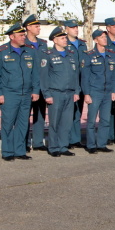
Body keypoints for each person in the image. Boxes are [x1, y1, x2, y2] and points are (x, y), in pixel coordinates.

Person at [0, 23, 39, 161]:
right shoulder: (2, 51)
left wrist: (35, 90)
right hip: (9, 94)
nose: (24, 37)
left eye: (24, 35)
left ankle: (19, 151)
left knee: (23, 123)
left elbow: (35, 73)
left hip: (26, 93)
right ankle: (7, 152)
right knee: (8, 123)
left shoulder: (30, 51)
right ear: (12, 36)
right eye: (21, 35)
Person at [40, 26, 80, 157]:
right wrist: (47, 94)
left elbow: (75, 75)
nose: (65, 40)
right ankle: (53, 147)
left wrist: (76, 91)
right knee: (55, 122)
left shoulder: (71, 55)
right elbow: (43, 77)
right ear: (54, 40)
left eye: (65, 38)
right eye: (62, 38)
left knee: (67, 122)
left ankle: (63, 146)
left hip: (69, 93)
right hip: (55, 93)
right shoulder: (48, 56)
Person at [81, 29, 115, 154]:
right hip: (94, 92)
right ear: (96, 40)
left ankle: (101, 144)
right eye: (102, 37)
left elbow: (114, 76)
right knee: (91, 120)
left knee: (105, 120)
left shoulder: (111, 54)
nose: (105, 39)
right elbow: (85, 77)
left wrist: (113, 91)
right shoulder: (89, 55)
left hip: (107, 92)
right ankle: (91, 145)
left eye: (105, 37)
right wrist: (86, 94)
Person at [23, 14, 48, 152]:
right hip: (28, 84)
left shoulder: (43, 44)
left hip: (42, 84)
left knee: (40, 114)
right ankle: (25, 142)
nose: (39, 28)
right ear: (28, 27)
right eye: (36, 26)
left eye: (39, 26)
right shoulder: (23, 42)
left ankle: (38, 142)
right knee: (25, 114)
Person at [65, 19, 88, 148]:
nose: (76, 29)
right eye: (72, 27)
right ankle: (66, 139)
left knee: (78, 111)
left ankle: (75, 139)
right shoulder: (64, 43)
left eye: (76, 27)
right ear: (66, 29)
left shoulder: (82, 44)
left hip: (81, 81)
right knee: (68, 112)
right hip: (70, 82)